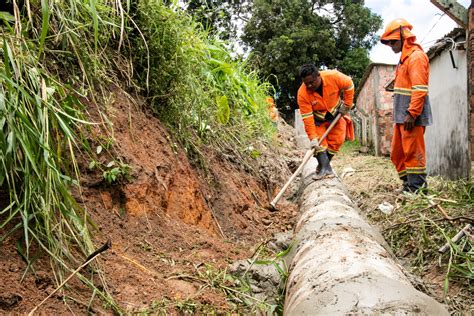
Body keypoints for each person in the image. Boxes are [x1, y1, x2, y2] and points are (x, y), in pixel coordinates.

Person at [380, 18, 432, 193]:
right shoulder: (404, 59)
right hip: (403, 116)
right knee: (397, 153)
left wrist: (412, 113)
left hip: (411, 116)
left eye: (393, 42)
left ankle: (417, 190)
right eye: (388, 43)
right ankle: (408, 185)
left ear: (403, 37)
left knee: (413, 152)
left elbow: (420, 88)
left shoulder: (416, 57)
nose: (391, 46)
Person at [297, 64, 354, 179]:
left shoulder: (333, 76)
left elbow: (349, 85)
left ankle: (325, 165)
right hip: (317, 119)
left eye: (311, 82)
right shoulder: (302, 94)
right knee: (319, 143)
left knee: (337, 140)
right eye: (306, 83)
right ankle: (325, 168)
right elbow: (307, 118)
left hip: (336, 114)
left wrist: (347, 104)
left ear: (318, 76)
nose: (309, 85)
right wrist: (313, 138)